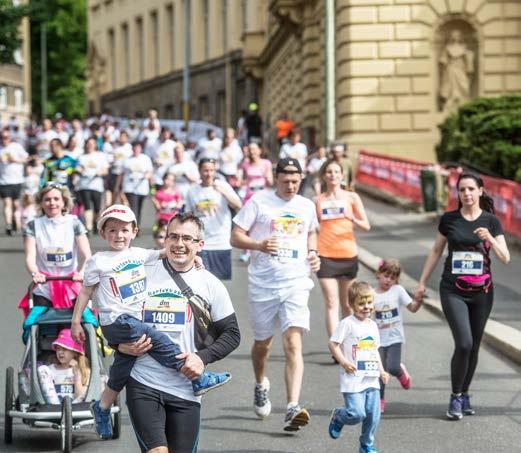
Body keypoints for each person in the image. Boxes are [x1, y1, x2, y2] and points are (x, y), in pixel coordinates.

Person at [71, 206, 232, 440]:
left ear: (135, 231)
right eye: (112, 230)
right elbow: (85, 293)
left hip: (131, 325)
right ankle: (197, 378)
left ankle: (102, 407)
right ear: (103, 233)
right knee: (155, 337)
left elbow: (165, 252)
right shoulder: (98, 261)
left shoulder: (139, 255)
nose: (119, 235)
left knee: (123, 366)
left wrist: (194, 255)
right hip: (117, 322)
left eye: (124, 230)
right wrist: (76, 321)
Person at [118, 212, 240, 452]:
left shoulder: (210, 284)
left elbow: (232, 334)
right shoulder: (141, 274)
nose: (179, 244)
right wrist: (118, 345)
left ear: (200, 245)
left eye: (187, 238)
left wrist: (201, 358)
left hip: (186, 388)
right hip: (143, 381)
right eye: (173, 237)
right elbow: (113, 317)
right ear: (164, 240)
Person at [230, 157, 321, 431]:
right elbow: (235, 236)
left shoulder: (306, 205)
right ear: (276, 178)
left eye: (296, 181)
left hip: (296, 281)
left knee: (293, 342)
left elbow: (312, 233)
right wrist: (258, 244)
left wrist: (314, 253)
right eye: (286, 181)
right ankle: (260, 383)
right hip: (263, 284)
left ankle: (292, 406)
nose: (291, 186)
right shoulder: (259, 202)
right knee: (263, 345)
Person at [414, 172, 510, 420]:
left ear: (480, 191)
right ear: (458, 193)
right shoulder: (449, 220)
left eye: (471, 189)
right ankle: (455, 396)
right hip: (452, 289)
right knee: (464, 343)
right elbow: (436, 250)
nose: (466, 194)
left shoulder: (491, 221)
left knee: (475, 347)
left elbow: (505, 257)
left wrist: (489, 238)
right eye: (462, 189)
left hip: (482, 292)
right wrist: (422, 283)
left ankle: (465, 393)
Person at [328, 281, 389, 453]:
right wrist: (344, 362)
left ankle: (366, 444)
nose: (366, 307)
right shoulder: (347, 323)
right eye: (361, 303)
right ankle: (339, 417)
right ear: (352, 304)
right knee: (356, 414)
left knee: (373, 415)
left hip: (371, 378)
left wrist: (382, 371)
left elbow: (375, 350)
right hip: (353, 379)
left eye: (369, 303)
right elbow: (333, 344)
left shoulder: (373, 325)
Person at [315, 159, 370, 341]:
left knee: (347, 304)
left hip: (347, 254)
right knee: (331, 303)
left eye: (336, 172)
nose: (333, 175)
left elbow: (366, 226)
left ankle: (348, 343)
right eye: (329, 172)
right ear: (324, 175)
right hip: (325, 255)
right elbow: (313, 228)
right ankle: (335, 346)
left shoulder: (351, 197)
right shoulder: (318, 201)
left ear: (342, 175)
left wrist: (352, 217)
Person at [21, 183, 91, 311]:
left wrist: (81, 272)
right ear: (41, 203)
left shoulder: (74, 223)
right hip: (44, 287)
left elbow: (86, 255)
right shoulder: (33, 225)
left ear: (64, 202)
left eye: (56, 199)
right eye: (47, 200)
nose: (52, 203)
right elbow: (30, 257)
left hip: (71, 285)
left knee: (78, 325)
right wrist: (35, 273)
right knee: (43, 327)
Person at [373, 258, 422, 413]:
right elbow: (366, 314)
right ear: (378, 274)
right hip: (378, 340)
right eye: (386, 276)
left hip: (395, 338)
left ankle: (401, 371)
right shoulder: (372, 294)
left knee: (392, 367)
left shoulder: (398, 291)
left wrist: (418, 300)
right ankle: (380, 399)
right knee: (380, 371)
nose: (389, 280)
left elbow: (412, 308)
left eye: (393, 278)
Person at [185, 158, 242, 280]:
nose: (209, 174)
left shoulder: (223, 186)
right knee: (201, 281)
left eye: (211, 170)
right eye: (205, 170)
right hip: (201, 243)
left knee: (219, 283)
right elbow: (188, 215)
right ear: (199, 171)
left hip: (221, 242)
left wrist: (223, 193)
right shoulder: (192, 189)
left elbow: (238, 205)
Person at [37, 328, 90, 404]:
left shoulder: (83, 370)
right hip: (54, 407)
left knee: (102, 378)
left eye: (64, 349)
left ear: (74, 352)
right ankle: (56, 406)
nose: (60, 352)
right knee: (42, 369)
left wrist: (77, 373)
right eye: (58, 349)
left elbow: (79, 396)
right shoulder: (50, 369)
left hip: (75, 408)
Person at [76, 137, 109, 233]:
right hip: (84, 185)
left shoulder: (100, 156)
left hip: (96, 185)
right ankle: (89, 226)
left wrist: (99, 173)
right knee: (87, 206)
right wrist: (79, 170)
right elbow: (77, 168)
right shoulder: (82, 157)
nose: (90, 145)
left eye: (92, 143)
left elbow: (106, 170)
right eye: (88, 143)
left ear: (95, 145)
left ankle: (95, 222)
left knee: (97, 207)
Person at [439, 30, 474, 113]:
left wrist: (469, 59)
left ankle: (462, 100)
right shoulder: (447, 48)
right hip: (451, 68)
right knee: (451, 85)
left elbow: (468, 60)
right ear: (451, 37)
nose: (455, 37)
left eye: (457, 35)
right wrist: (443, 63)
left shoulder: (464, 47)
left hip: (461, 68)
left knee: (463, 84)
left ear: (460, 37)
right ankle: (452, 100)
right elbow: (443, 59)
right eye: (453, 35)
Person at [0, 129, 28, 235]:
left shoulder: (16, 147)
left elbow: (26, 159)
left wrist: (15, 160)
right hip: (3, 181)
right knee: (7, 203)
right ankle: (8, 225)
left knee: (16, 204)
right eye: (2, 138)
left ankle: (16, 222)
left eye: (6, 137)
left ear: (10, 138)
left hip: (17, 180)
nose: (4, 140)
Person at [121, 141, 153, 226]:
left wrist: (147, 177)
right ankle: (134, 225)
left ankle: (137, 225)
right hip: (130, 187)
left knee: (139, 207)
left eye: (138, 148)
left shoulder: (145, 158)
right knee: (133, 206)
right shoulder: (127, 160)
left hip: (142, 187)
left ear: (140, 149)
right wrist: (119, 187)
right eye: (134, 148)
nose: (136, 150)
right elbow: (122, 174)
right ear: (132, 149)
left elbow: (150, 172)